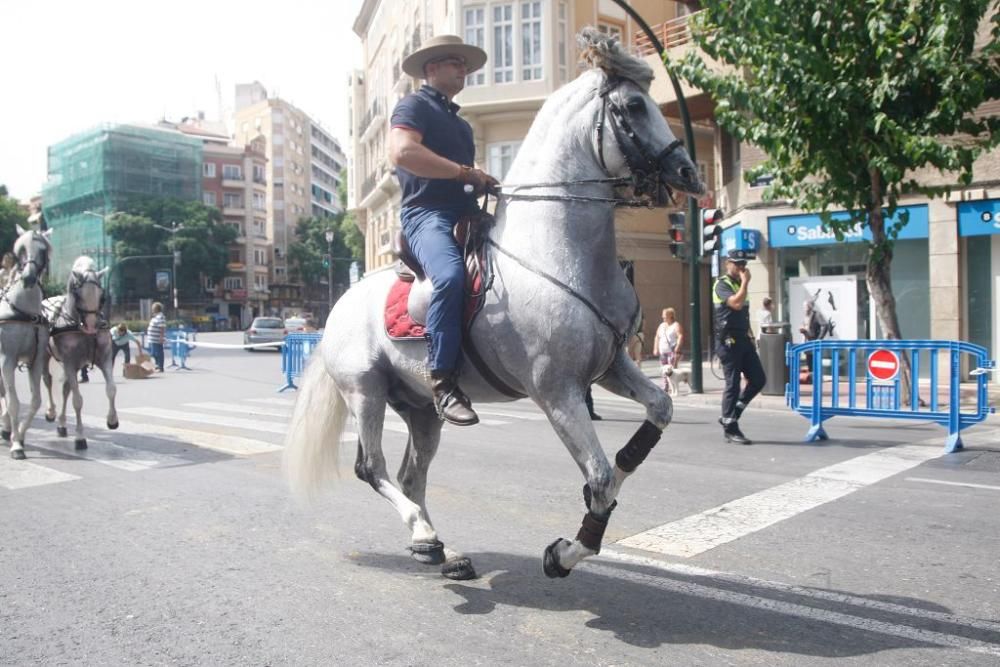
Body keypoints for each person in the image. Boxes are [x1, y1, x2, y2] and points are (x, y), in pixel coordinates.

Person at [389, 34, 498, 427]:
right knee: (450, 276)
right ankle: (442, 380)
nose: (462, 68)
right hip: (426, 215)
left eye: (464, 63)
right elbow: (403, 152)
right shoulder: (413, 106)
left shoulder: (462, 126)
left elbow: (464, 179)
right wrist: (464, 172)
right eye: (455, 62)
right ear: (431, 69)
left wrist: (480, 181)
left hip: (466, 212)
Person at [713, 249, 766, 445]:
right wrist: (745, 282)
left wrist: (751, 335)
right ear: (728, 263)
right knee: (733, 383)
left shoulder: (739, 285)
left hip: (743, 339)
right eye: (737, 264)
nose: (741, 268)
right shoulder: (722, 284)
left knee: (759, 379)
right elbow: (735, 304)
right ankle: (730, 428)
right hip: (728, 341)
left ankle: (733, 413)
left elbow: (743, 314)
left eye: (743, 264)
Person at [653, 307, 684, 395]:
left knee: (671, 370)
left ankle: (674, 388)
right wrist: (655, 348)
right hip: (663, 351)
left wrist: (678, 346)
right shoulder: (661, 325)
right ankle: (665, 387)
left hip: (671, 351)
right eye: (663, 315)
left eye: (664, 315)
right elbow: (657, 337)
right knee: (664, 370)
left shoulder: (676, 325)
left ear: (671, 315)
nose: (662, 317)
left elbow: (680, 336)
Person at [146, 302, 166, 372]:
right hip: (152, 339)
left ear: (156, 309)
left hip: (157, 338)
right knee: (153, 353)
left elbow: (162, 327)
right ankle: (157, 365)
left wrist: (161, 337)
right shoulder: (156, 316)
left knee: (158, 353)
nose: (152, 309)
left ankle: (160, 367)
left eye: (153, 308)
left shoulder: (161, 316)